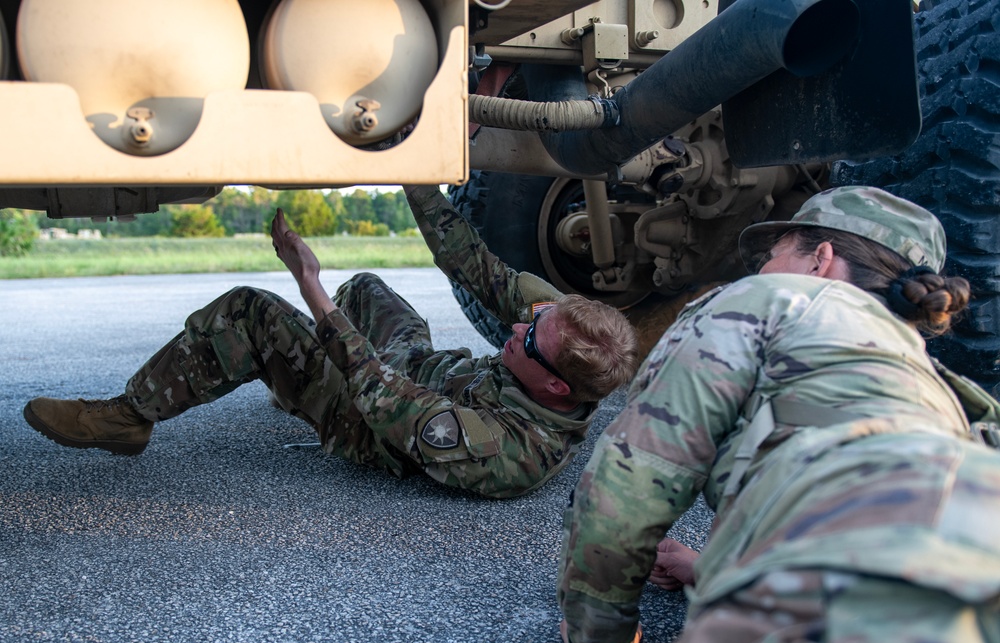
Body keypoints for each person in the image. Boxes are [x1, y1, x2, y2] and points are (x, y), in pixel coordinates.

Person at [557, 186, 1000, 643]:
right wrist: (712, 569)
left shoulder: (770, 298)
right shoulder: (936, 381)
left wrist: (599, 642)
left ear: (820, 260)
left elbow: (631, 481)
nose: (762, 270)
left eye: (772, 255)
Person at [22, 185, 639, 499]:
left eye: (527, 338)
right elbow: (473, 265)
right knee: (368, 288)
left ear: (555, 385)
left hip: (369, 421)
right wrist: (414, 177)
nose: (515, 326)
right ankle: (296, 377)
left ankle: (129, 418)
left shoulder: (510, 452)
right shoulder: (557, 343)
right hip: (419, 370)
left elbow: (379, 394)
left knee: (252, 313)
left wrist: (308, 285)